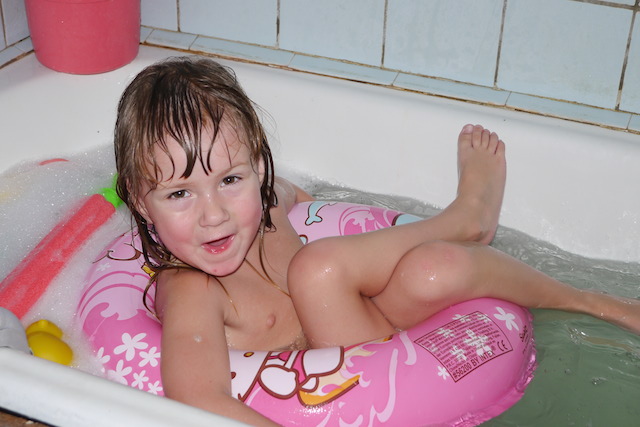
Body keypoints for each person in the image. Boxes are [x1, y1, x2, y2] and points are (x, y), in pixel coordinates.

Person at [114, 56, 640, 426]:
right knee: (316, 268)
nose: (214, 216)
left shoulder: (265, 212)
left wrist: (311, 202)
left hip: (380, 332)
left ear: (256, 166)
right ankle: (463, 218)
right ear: (139, 199)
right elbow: (197, 399)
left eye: (230, 179)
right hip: (354, 392)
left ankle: (589, 300)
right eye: (179, 193)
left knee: (435, 269)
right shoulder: (192, 290)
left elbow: (291, 195)